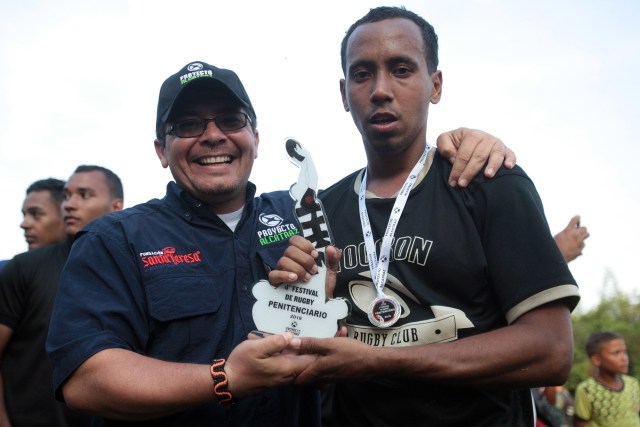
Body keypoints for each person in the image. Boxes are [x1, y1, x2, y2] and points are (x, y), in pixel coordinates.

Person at [45, 59, 515, 426]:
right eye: (188, 125)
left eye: (230, 119)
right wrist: (226, 379)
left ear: (255, 136)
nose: (213, 136)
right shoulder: (117, 238)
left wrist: (465, 142)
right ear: (160, 151)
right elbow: (87, 380)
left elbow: (400, 196)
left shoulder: (312, 213)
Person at [269, 6, 581, 426]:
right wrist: (309, 311)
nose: (381, 89)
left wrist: (380, 361)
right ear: (344, 93)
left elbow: (550, 351)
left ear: (435, 85)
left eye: (401, 69)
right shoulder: (319, 212)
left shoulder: (489, 183)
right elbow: (305, 361)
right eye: (362, 74)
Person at [0, 165, 123, 427]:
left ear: (117, 206)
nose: (70, 204)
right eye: (67, 196)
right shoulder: (24, 268)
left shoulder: (129, 271)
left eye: (84, 195)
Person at [573, 331, 640, 427]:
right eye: (616, 353)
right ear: (597, 360)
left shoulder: (633, 383)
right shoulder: (587, 390)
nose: (624, 358)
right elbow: (579, 424)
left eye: (625, 352)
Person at [20, 178, 67, 251]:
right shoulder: (10, 262)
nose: (24, 225)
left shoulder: (87, 261)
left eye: (36, 214)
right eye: (24, 215)